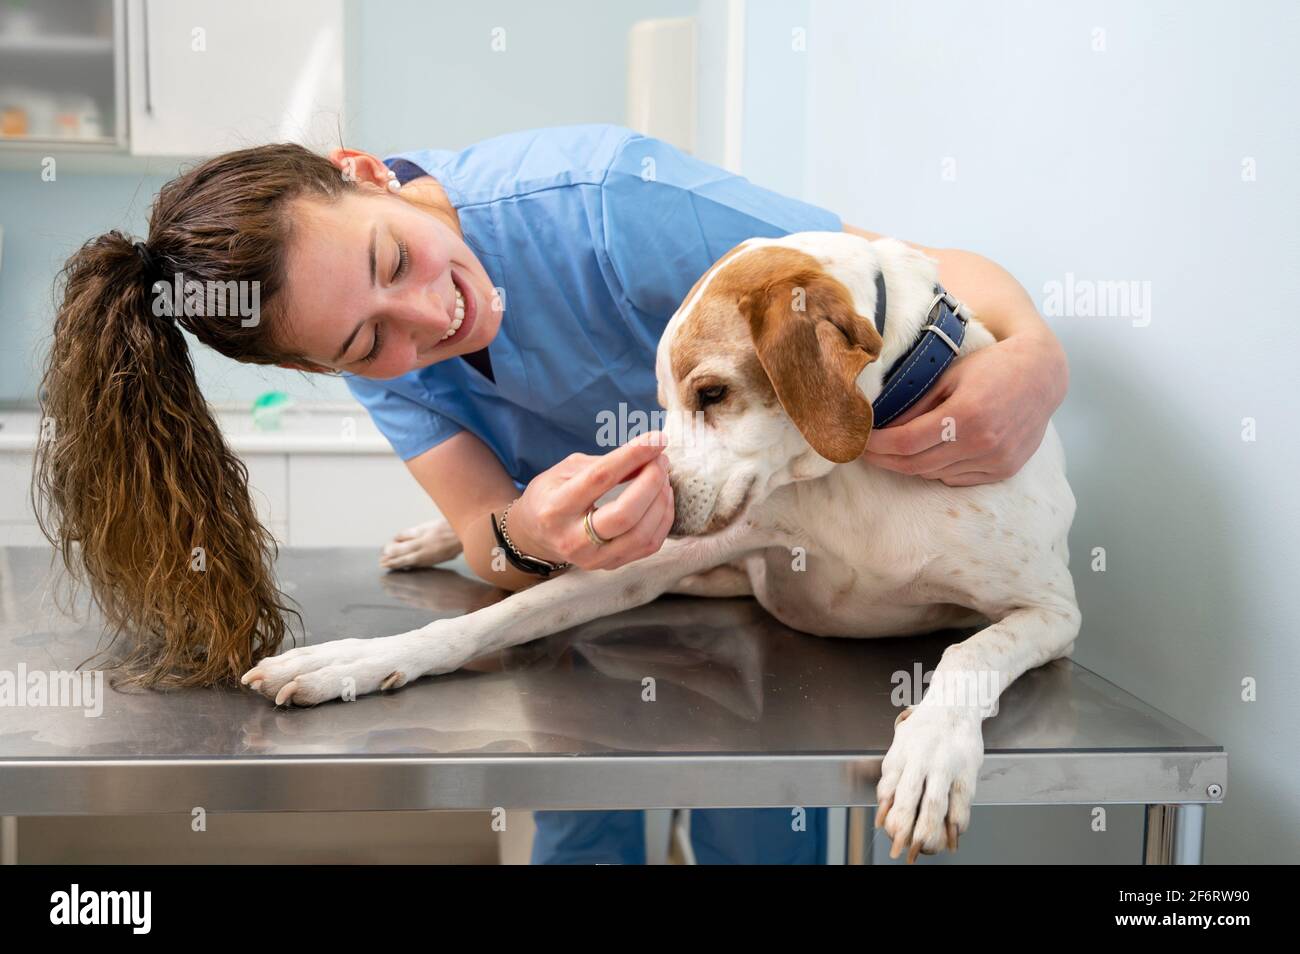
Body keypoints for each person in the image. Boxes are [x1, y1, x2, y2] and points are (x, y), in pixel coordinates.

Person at [33, 124, 1067, 863]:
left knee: (762, 820)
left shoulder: (609, 205)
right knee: (579, 819)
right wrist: (525, 530)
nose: (426, 317)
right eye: (363, 342)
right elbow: (490, 537)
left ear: (362, 171)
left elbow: (890, 273)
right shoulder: (381, 356)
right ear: (323, 364)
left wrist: (1032, 358)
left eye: (395, 258)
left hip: (752, 600)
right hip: (620, 609)